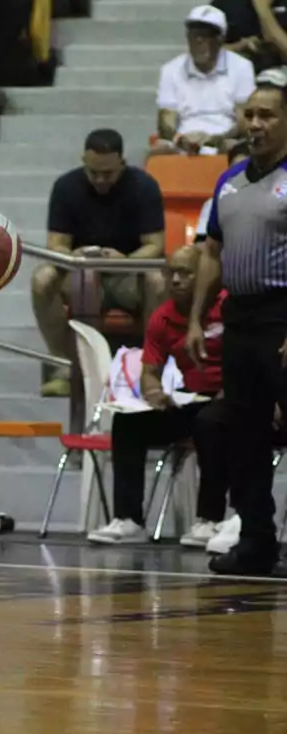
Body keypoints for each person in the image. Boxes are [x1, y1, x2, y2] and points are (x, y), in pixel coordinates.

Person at [189, 82, 287, 576]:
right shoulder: (228, 181)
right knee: (244, 434)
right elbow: (211, 253)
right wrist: (196, 317)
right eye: (249, 114)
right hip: (240, 317)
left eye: (267, 115)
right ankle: (256, 541)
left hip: (282, 314)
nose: (255, 124)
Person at [89, 245, 228, 546]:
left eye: (185, 273)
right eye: (172, 273)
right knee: (128, 422)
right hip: (190, 399)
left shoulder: (227, 307)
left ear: (203, 275)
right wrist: (153, 392)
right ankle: (129, 519)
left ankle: (210, 520)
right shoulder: (162, 318)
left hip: (231, 398)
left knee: (209, 424)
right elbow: (150, 371)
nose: (176, 280)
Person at [31, 129, 166, 396]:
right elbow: (56, 244)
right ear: (84, 160)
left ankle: (150, 368)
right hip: (81, 272)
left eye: (108, 174)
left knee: (158, 280)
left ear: (122, 164)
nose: (100, 180)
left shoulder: (144, 186)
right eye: (93, 173)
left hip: (128, 275)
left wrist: (125, 261)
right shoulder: (66, 187)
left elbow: (155, 245)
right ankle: (65, 366)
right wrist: (75, 257)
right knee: (42, 279)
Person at [153, 5, 257, 156]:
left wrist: (213, 140)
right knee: (159, 150)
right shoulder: (170, 69)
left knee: (237, 147)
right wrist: (181, 140)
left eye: (205, 35)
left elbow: (244, 120)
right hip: (184, 140)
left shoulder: (242, 67)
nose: (199, 40)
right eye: (194, 35)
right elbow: (166, 120)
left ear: (220, 39)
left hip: (225, 140)